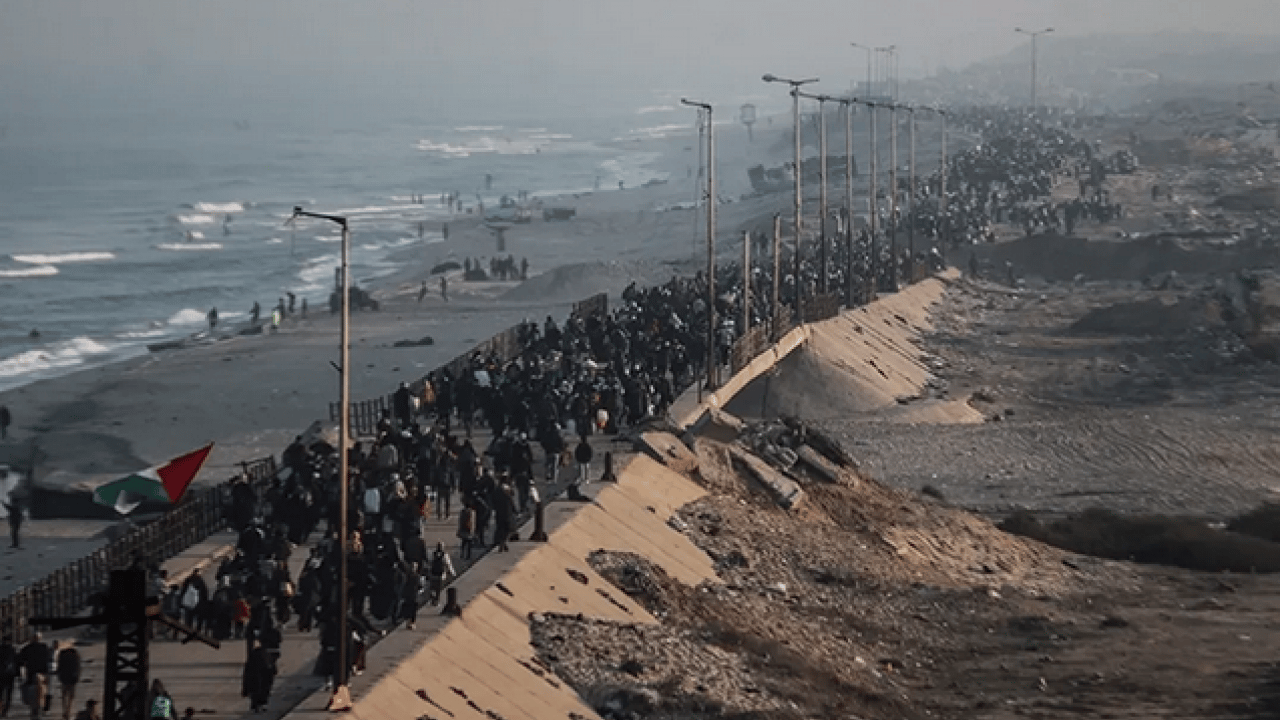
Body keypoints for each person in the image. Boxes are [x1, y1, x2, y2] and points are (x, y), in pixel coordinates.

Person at [17, 633, 49, 720]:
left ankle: (33, 710)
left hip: (30, 674)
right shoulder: (44, 647)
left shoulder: (27, 648)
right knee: (43, 692)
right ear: (40, 638)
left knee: (32, 694)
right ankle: (40, 709)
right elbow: (48, 659)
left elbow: (20, 660)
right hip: (42, 674)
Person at [241, 639, 276, 714]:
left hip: (256, 679)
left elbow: (246, 673)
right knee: (262, 689)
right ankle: (259, 704)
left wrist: (245, 690)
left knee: (258, 689)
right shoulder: (264, 655)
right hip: (259, 678)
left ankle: (256, 705)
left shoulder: (255, 655)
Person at [53, 643, 78, 720]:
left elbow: (59, 666)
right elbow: (77, 666)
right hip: (72, 678)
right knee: (71, 696)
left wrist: (59, 676)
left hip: (64, 678)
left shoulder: (62, 654)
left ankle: (65, 711)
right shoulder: (75, 654)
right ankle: (68, 710)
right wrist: (76, 677)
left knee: (64, 695)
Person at [426, 542, 455, 606]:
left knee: (432, 587)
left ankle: (432, 599)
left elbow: (429, 562)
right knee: (438, 589)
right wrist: (452, 572)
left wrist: (428, 571)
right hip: (440, 575)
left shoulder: (432, 553)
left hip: (433, 574)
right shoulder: (445, 555)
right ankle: (436, 601)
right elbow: (448, 564)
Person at [0, 636, 18, 717]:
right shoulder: (12, 649)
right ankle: (5, 710)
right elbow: (17, 661)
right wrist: (18, 673)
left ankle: (0, 708)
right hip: (10, 674)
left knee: (0, 692)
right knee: (8, 693)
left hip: (0, 674)